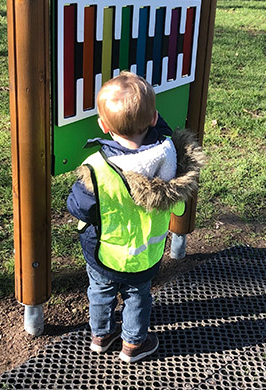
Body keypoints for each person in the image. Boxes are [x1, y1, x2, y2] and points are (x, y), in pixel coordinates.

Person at [67, 72, 204, 363]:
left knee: (101, 291)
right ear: (154, 119)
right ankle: (133, 344)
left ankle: (101, 336)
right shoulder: (171, 158)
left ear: (103, 126)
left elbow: (77, 207)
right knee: (138, 296)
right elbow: (177, 204)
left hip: (104, 251)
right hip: (145, 254)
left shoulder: (97, 166)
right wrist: (152, 117)